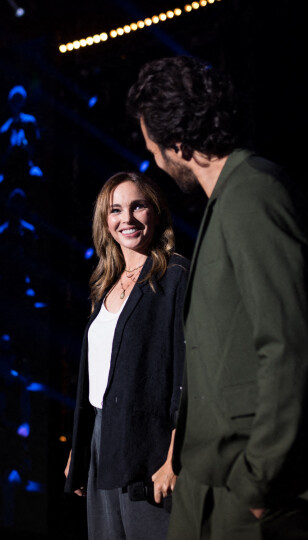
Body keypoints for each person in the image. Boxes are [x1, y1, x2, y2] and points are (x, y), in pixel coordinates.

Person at [127, 56, 308, 539]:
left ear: (179, 142)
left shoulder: (255, 193)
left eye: (154, 147)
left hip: (248, 491)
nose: (154, 161)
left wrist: (260, 482)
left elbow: (290, 346)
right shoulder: (232, 199)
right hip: (209, 484)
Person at [64, 171, 190, 539]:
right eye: (116, 210)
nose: (127, 219)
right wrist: (82, 444)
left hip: (149, 445)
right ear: (105, 220)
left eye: (138, 206)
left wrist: (174, 458)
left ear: (157, 213)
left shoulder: (175, 276)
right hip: (103, 441)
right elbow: (97, 376)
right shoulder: (106, 284)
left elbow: (187, 375)